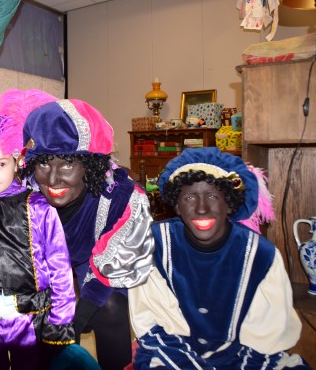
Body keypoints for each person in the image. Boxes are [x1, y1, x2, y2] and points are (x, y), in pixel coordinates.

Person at [0, 89, 154, 370]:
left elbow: (115, 267)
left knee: (109, 309)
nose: (53, 178)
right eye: (44, 163)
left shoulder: (120, 199)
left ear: (89, 165)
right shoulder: (24, 196)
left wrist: (80, 318)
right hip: (50, 268)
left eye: (67, 163)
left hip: (102, 265)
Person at [129, 147, 310, 369]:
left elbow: (265, 339)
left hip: (243, 355)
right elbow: (152, 324)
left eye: (213, 196)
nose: (202, 209)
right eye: (190, 197)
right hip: (171, 353)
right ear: (177, 205)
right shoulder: (154, 245)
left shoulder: (261, 255)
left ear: (230, 203)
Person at [0, 114, 76, 370]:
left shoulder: (39, 206)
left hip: (31, 317)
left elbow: (60, 264)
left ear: (17, 161)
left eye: (1, 164)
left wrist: (60, 318)